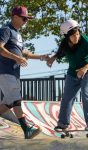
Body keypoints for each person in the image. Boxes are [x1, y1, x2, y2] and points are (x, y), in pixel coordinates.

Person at [0, 6, 48, 139]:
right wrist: (16, 58)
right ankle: (26, 130)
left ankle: (26, 129)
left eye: (27, 19)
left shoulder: (18, 34)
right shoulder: (6, 30)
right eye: (24, 18)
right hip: (5, 71)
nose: (26, 21)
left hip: (14, 73)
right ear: (15, 17)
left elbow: (24, 53)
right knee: (16, 101)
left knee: (9, 103)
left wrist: (41, 57)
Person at [47, 19, 88, 131]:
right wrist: (53, 58)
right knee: (67, 98)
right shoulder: (64, 44)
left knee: (86, 94)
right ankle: (62, 124)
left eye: (77, 34)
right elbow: (60, 53)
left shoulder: (85, 40)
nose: (76, 37)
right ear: (67, 37)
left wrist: (85, 68)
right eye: (73, 36)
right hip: (73, 73)